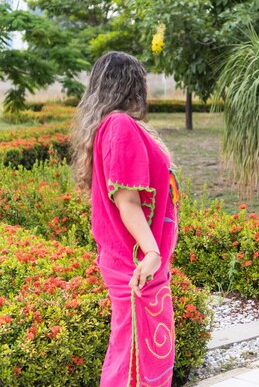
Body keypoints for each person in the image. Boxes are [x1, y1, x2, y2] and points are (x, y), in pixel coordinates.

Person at [70, 51, 180, 386]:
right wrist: (152, 252)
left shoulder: (116, 126)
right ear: (131, 83)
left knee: (142, 355)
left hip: (142, 267)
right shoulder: (120, 126)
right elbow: (127, 200)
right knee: (136, 362)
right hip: (137, 267)